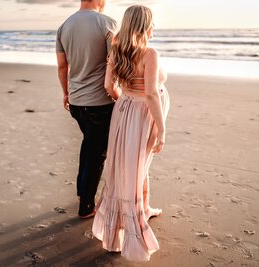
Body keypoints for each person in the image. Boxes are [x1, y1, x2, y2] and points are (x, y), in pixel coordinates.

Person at [92, 5, 170, 262]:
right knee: (138, 165)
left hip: (123, 110)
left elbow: (108, 86)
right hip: (142, 115)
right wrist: (161, 129)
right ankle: (136, 220)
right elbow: (150, 94)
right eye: (152, 22)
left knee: (128, 167)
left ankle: (142, 210)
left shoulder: (117, 49)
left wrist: (124, 101)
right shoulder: (149, 52)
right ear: (146, 26)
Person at [56, 0, 117, 218]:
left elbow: (63, 66)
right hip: (100, 102)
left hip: (76, 102)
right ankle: (86, 206)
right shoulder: (107, 23)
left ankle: (83, 193)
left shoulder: (64, 26)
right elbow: (114, 64)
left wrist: (66, 93)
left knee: (89, 146)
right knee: (97, 153)